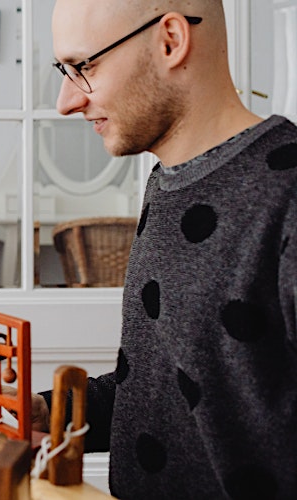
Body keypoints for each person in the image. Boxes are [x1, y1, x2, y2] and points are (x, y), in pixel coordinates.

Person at [37, 0, 297, 497]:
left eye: (83, 66)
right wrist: (46, 413)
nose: (65, 101)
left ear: (171, 41)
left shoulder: (287, 192)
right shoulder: (166, 186)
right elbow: (169, 398)